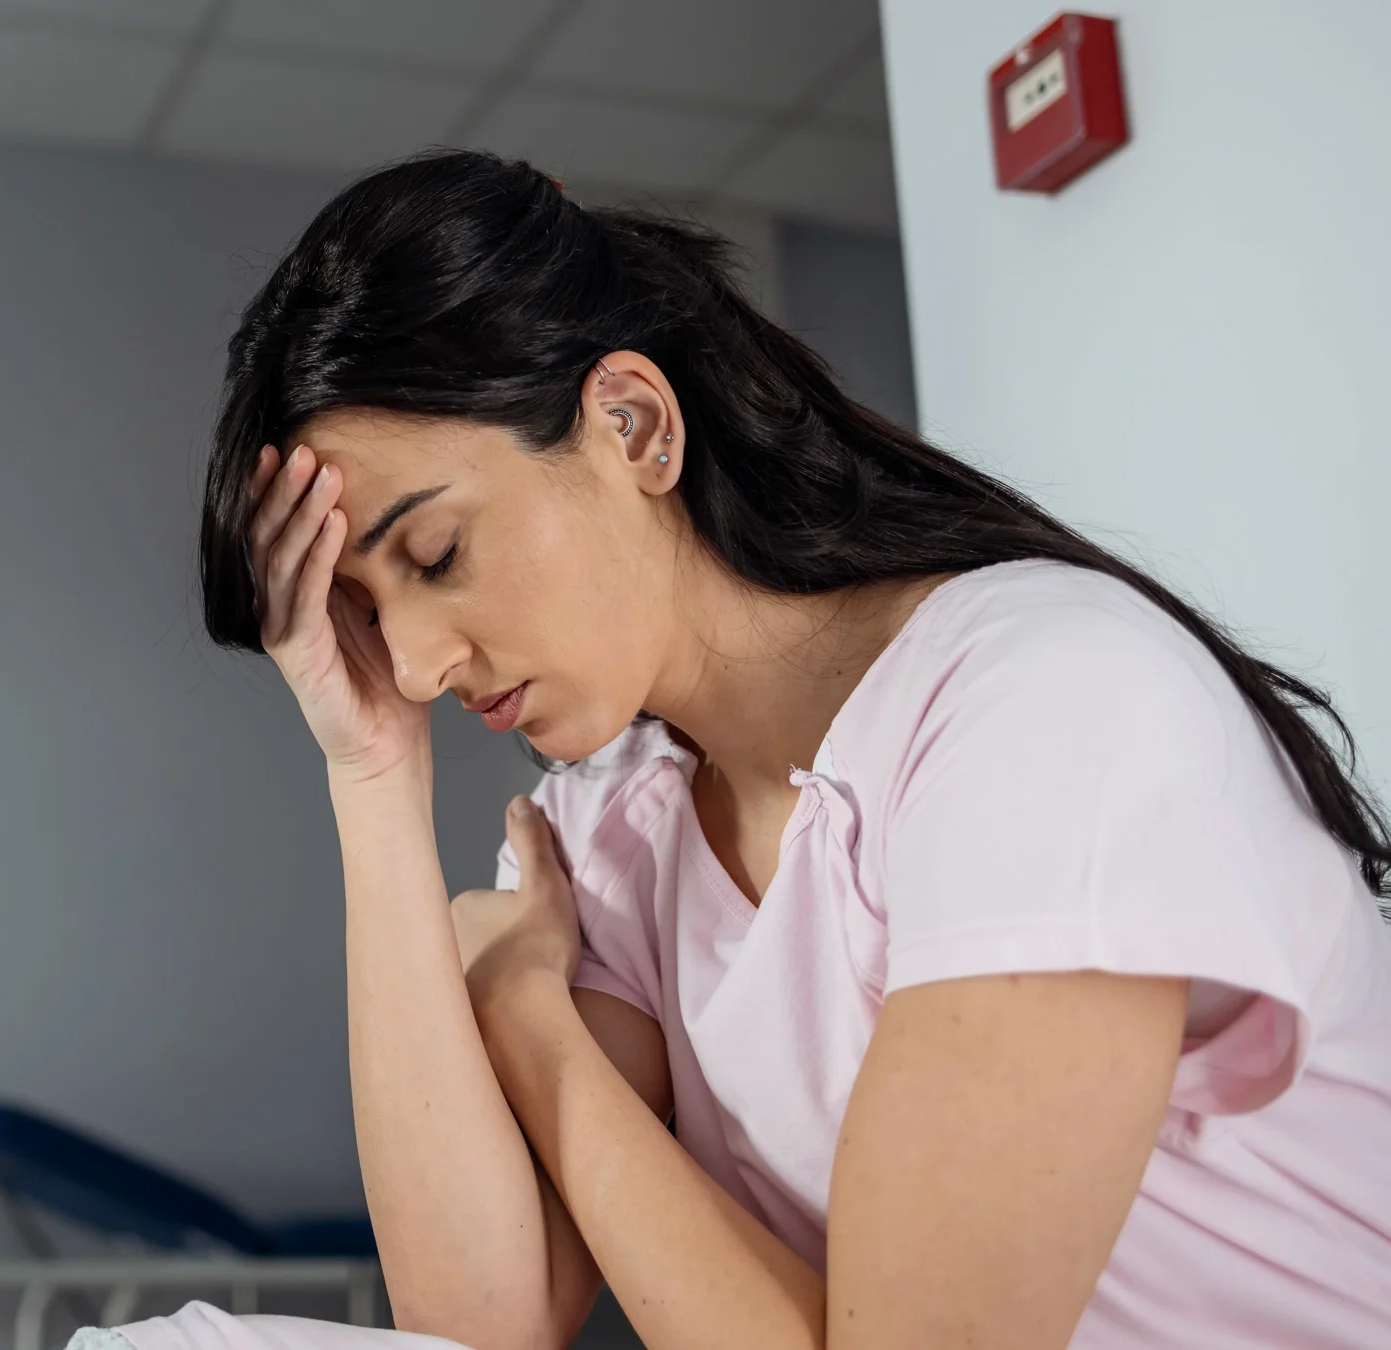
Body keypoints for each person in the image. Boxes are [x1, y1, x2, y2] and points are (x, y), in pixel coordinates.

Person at [80, 151, 1391, 1350]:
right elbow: (477, 1320)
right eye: (367, 615)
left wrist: (527, 1013)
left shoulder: (1042, 704)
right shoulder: (614, 828)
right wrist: (372, 777)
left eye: (437, 554)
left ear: (634, 426)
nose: (416, 665)